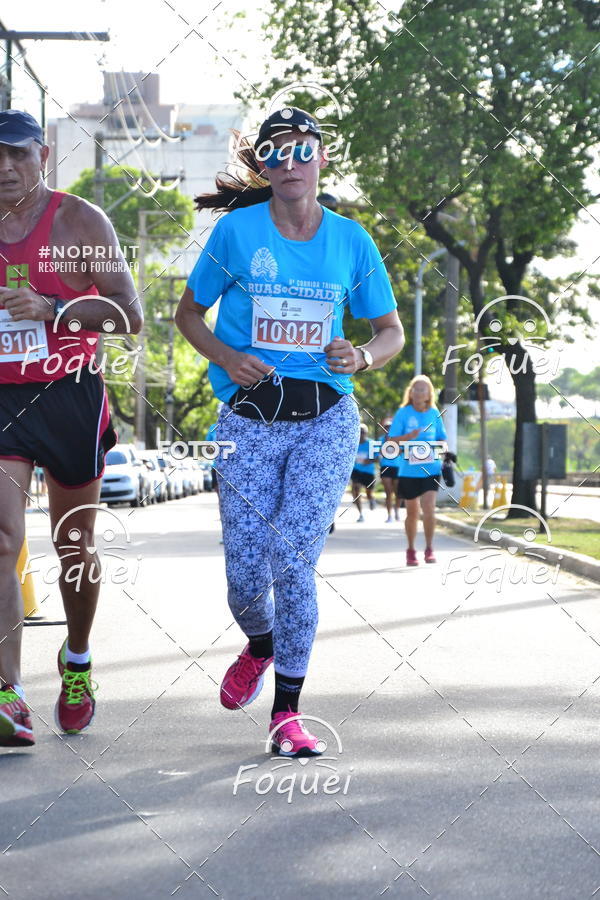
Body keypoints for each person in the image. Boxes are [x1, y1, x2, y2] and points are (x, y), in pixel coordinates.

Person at [176, 107, 404, 756]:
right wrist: (225, 357)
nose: (289, 163)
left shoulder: (351, 242)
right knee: (246, 578)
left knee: (293, 560)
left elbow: (391, 332)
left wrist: (362, 355)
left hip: (325, 420)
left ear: (321, 158)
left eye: (302, 150)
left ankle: (287, 713)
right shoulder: (238, 235)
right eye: (275, 153)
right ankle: (260, 642)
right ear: (263, 166)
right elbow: (189, 314)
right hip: (248, 423)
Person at [0, 110, 142, 747]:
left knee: (73, 549)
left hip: (68, 394)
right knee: (2, 540)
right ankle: (7, 692)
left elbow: (128, 318)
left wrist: (55, 309)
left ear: (43, 154)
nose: (5, 168)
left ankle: (77, 660)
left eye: (18, 155)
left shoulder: (79, 223)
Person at [387, 375, 447, 566]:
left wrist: (444, 449)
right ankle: (411, 549)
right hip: (408, 469)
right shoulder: (403, 413)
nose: (419, 392)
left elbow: (442, 438)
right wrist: (409, 436)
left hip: (432, 468)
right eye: (416, 389)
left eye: (423, 389)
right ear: (410, 393)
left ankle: (429, 548)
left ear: (430, 393)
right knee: (413, 512)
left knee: (429, 508)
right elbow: (391, 440)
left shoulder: (434, 413)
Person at [350, 423, 378, 522]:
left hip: (369, 472)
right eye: (360, 431)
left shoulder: (371, 443)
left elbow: (377, 458)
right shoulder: (353, 443)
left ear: (366, 433)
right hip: (356, 470)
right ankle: (360, 514)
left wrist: (369, 460)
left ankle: (371, 499)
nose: (361, 434)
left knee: (369, 492)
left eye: (363, 432)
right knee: (356, 489)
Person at [379, 416, 404, 523]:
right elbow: (379, 453)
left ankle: (397, 511)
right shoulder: (381, 439)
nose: (389, 429)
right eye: (387, 427)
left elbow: (402, 451)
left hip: (398, 467)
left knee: (398, 492)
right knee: (388, 492)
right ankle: (389, 515)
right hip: (386, 467)